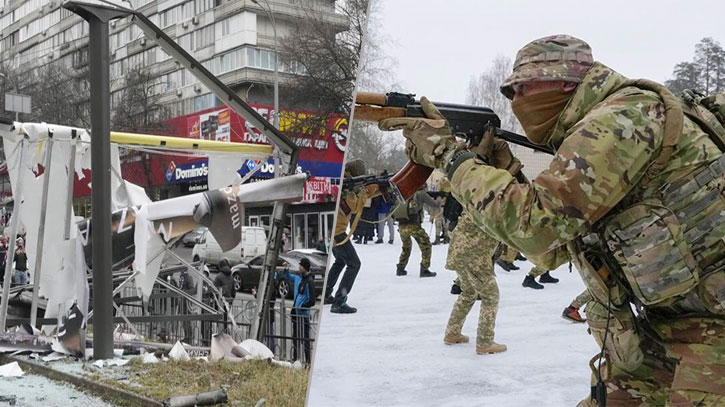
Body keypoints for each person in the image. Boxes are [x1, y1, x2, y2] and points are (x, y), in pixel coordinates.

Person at [381, 34, 725, 406]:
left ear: (565, 80)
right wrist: (503, 172)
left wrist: (450, 156)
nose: (517, 99)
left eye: (525, 86)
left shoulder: (623, 116)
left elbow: (536, 229)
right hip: (664, 330)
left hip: (709, 333)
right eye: (511, 91)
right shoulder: (592, 129)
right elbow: (553, 251)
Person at [325, 159, 384, 314]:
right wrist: (365, 191)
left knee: (340, 261)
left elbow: (367, 192)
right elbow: (356, 204)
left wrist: (381, 186)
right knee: (354, 264)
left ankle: (325, 294)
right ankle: (339, 301)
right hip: (337, 233)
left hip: (334, 231)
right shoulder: (346, 188)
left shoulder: (348, 184)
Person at [444, 212, 506, 355]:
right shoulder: (493, 204)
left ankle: (452, 333)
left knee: (468, 293)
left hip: (458, 253)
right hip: (475, 256)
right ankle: (485, 342)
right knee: (491, 296)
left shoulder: (476, 199)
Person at [392, 187, 439, 277]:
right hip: (413, 224)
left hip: (401, 225)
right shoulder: (421, 193)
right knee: (426, 245)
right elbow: (434, 204)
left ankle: (400, 268)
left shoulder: (403, 192)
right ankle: (424, 269)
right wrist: (439, 198)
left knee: (406, 247)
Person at [280, 258, 315, 363]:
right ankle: (296, 359)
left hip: (303, 314)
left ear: (305, 267)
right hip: (296, 312)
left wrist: (302, 306)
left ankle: (307, 361)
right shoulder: (300, 278)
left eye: (300, 266)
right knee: (295, 337)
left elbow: (311, 300)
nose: (298, 267)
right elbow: (289, 277)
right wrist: (286, 269)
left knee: (305, 339)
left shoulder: (308, 280)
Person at [375, 172, 395, 244]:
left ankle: (380, 238)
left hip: (382, 207)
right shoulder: (391, 184)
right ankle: (391, 238)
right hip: (390, 208)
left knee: (381, 225)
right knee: (390, 224)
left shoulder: (380, 186)